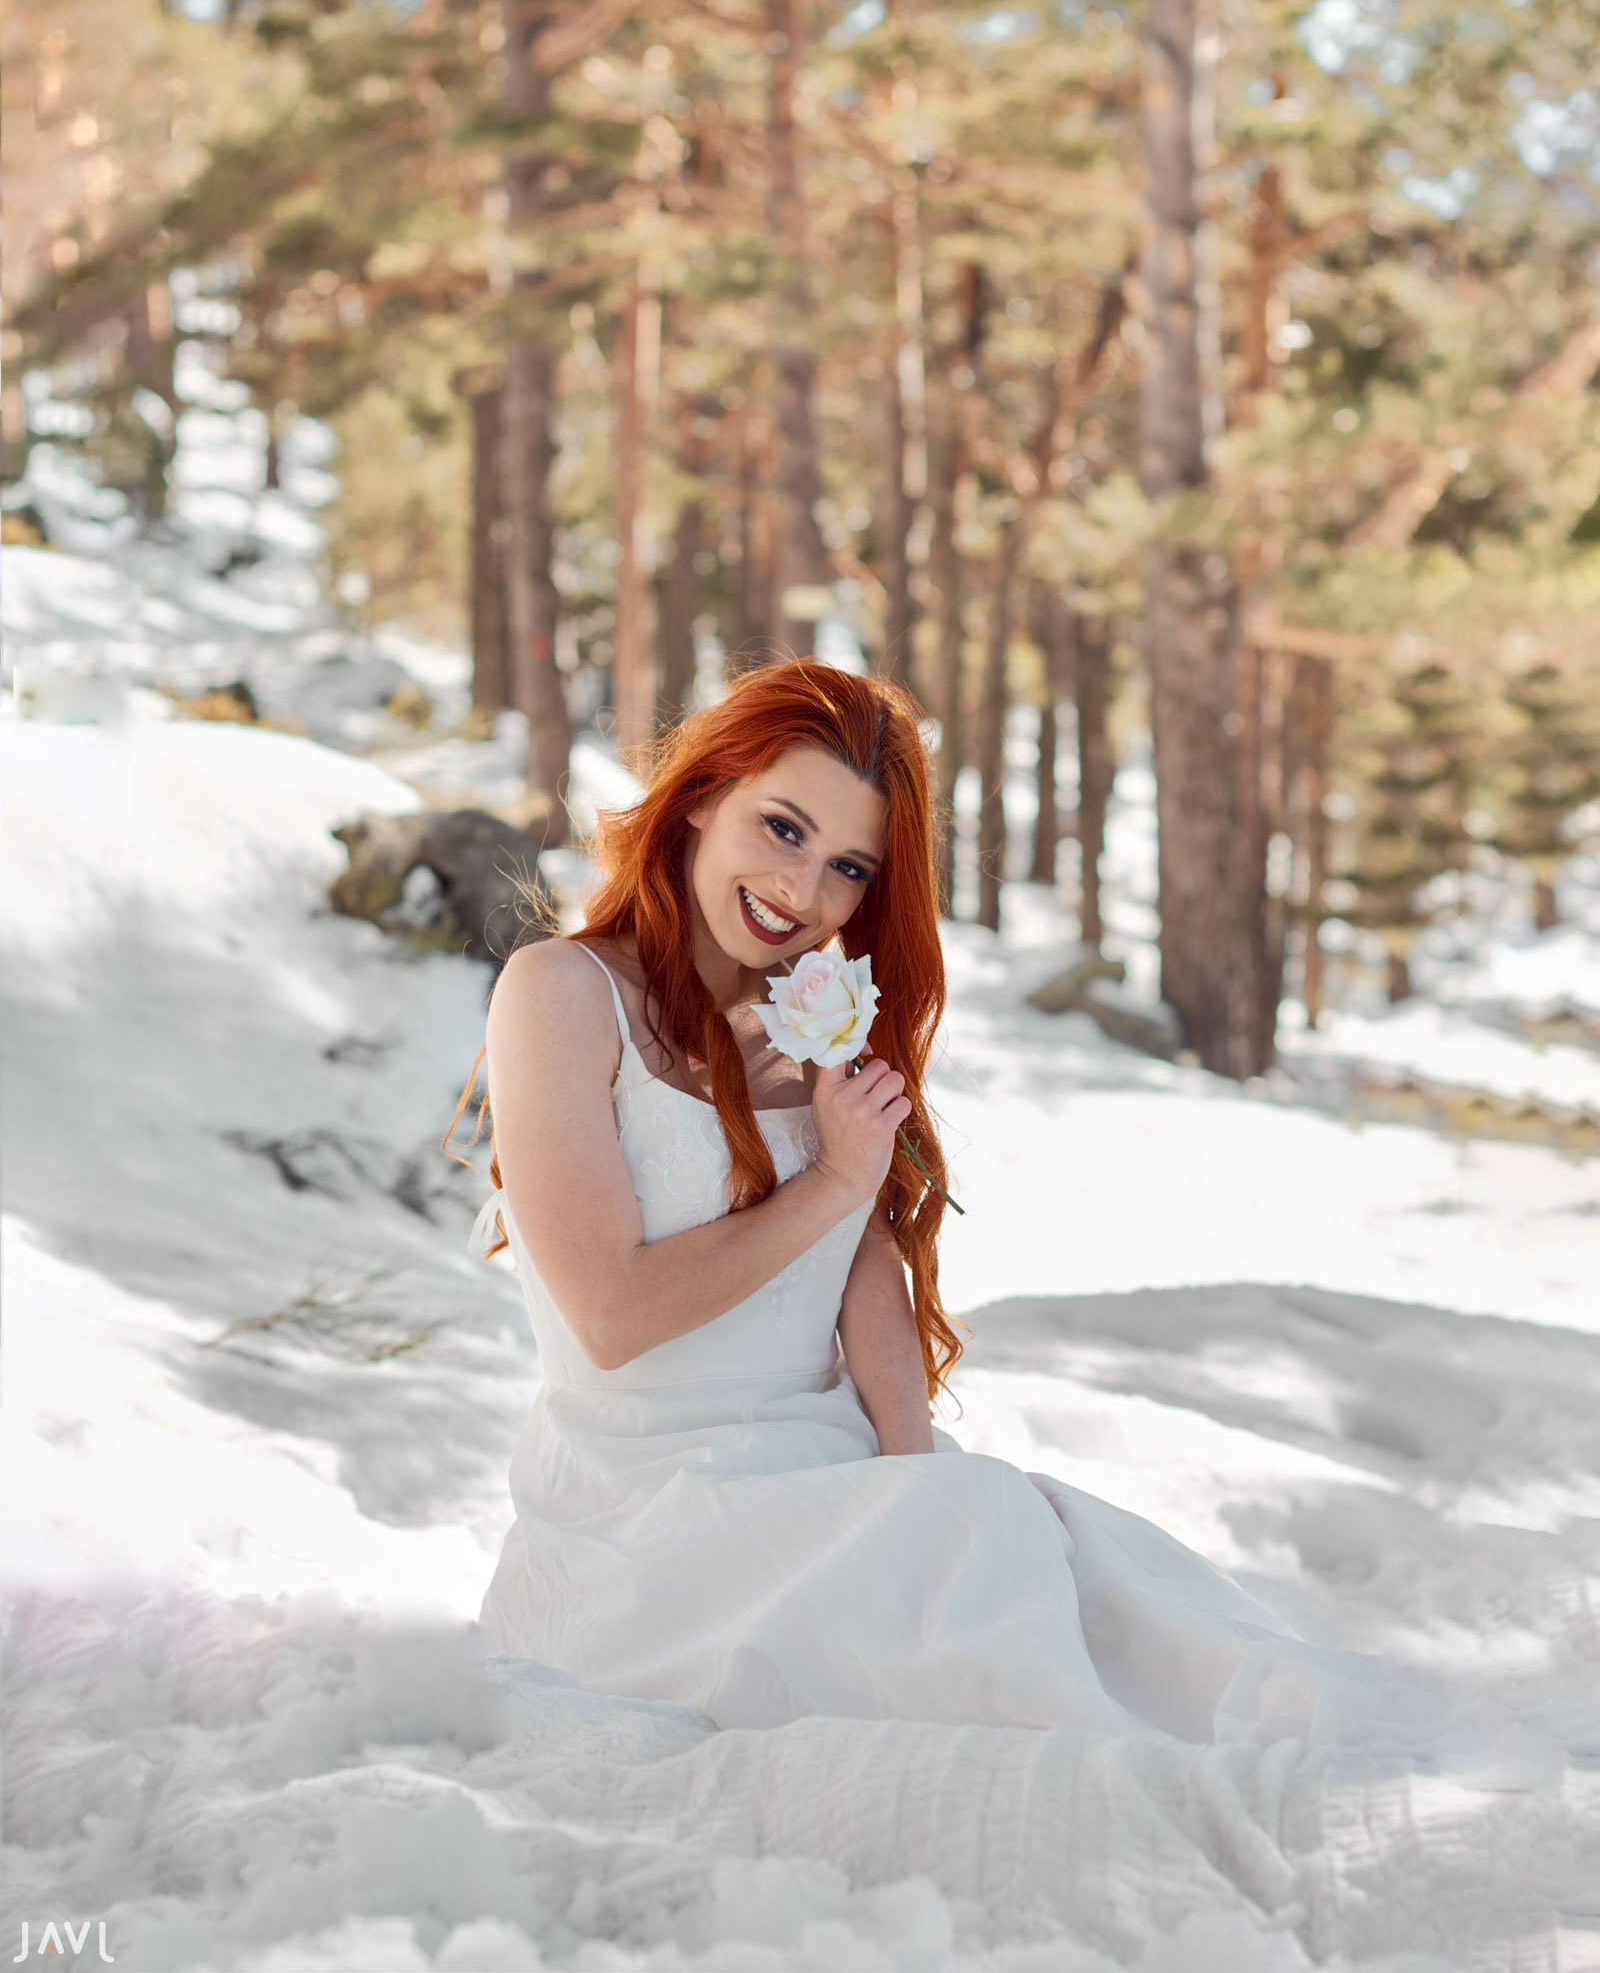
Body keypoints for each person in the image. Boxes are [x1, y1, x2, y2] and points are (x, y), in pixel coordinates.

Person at [454, 660, 1503, 1751]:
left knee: (1083, 1567)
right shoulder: (561, 994)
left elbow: (860, 1264)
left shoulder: (809, 1009)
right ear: (705, 792)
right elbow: (611, 1317)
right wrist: (831, 1179)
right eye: (781, 827)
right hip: (645, 1518)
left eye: (847, 865)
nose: (803, 892)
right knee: (1006, 1613)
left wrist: (912, 1472)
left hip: (825, 1472)